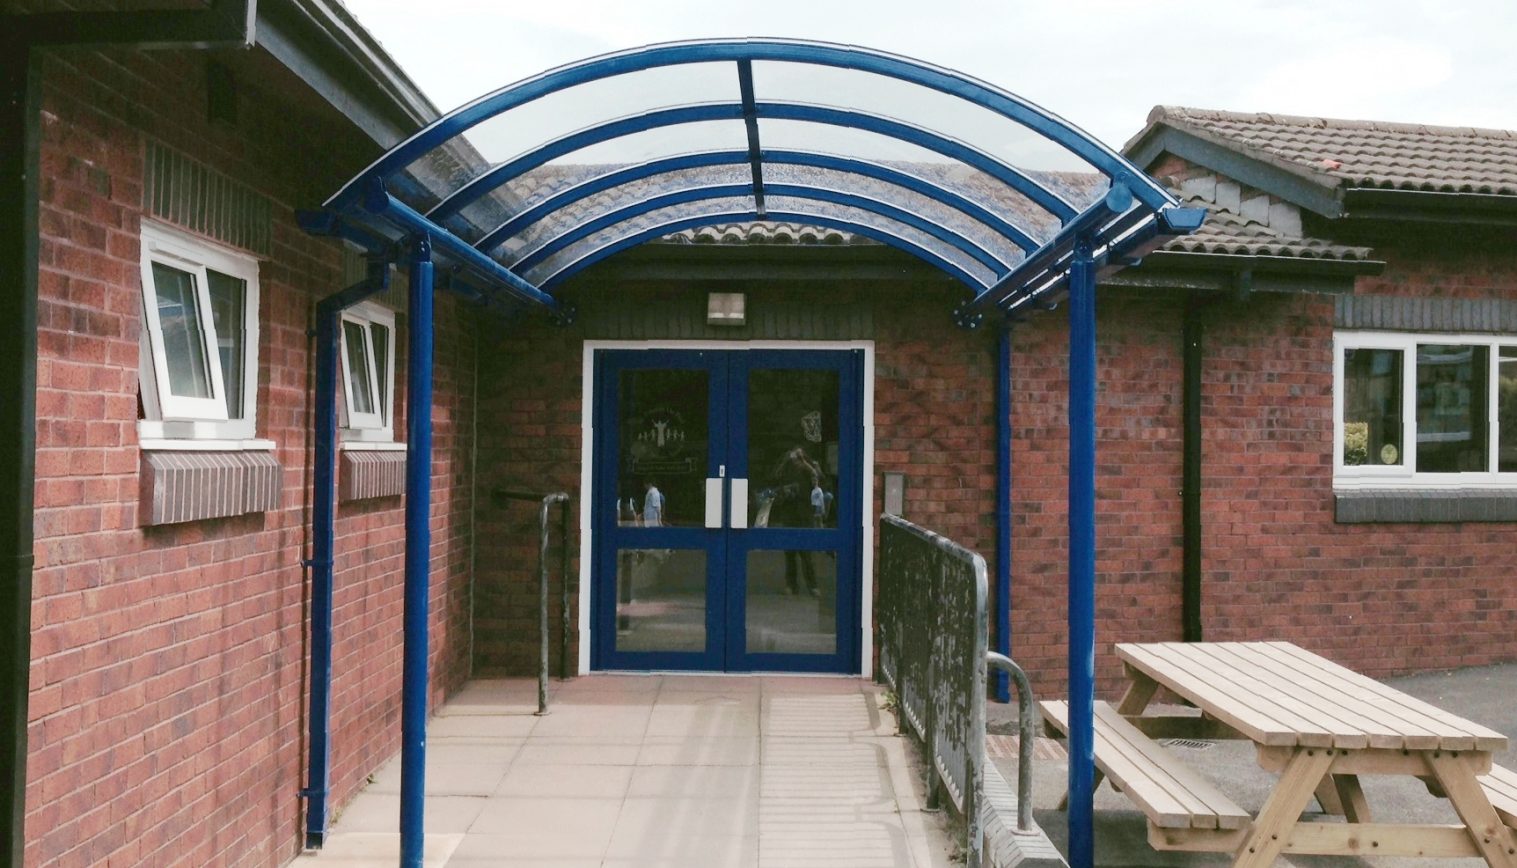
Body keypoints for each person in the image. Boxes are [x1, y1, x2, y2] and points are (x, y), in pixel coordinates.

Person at [771, 447, 823, 596]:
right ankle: (791, 584)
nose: (795, 460)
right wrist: (786, 460)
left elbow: (818, 477)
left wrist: (804, 461)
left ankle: (812, 586)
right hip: (789, 513)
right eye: (793, 457)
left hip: (804, 514)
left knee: (806, 554)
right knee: (789, 553)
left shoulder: (808, 469)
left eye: (797, 457)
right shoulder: (786, 469)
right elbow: (775, 476)